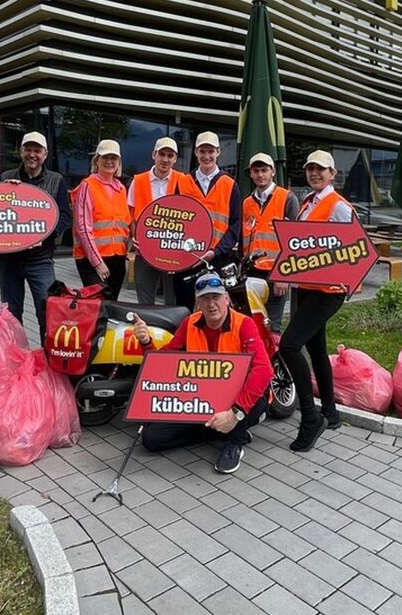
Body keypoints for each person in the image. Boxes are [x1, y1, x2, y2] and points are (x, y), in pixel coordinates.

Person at [132, 272, 274, 474]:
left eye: (216, 297)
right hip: (202, 401)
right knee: (152, 439)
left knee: (249, 406)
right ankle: (220, 431)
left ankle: (235, 441)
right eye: (205, 299)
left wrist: (236, 413)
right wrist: (146, 342)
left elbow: (263, 369)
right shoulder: (190, 323)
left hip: (239, 401)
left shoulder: (244, 324)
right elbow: (162, 362)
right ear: (197, 303)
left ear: (226, 298)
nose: (211, 304)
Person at [279, 150, 354, 452]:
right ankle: (331, 413)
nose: (314, 174)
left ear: (333, 174)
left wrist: (351, 280)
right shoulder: (308, 202)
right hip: (307, 288)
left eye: (320, 170)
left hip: (328, 293)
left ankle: (311, 418)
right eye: (310, 169)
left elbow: (354, 248)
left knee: (288, 345)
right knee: (316, 348)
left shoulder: (338, 206)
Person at [0, 133, 71, 342]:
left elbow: (65, 217)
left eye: (37, 150)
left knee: (47, 310)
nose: (32, 154)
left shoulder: (56, 180)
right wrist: (2, 193)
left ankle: (47, 362)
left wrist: (47, 235)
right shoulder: (4, 178)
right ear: (21, 152)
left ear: (45, 154)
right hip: (8, 259)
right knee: (11, 315)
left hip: (40, 259)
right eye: (28, 149)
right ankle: (16, 361)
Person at [173, 132, 242, 307]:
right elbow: (173, 221)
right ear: (195, 152)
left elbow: (235, 226)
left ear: (218, 152)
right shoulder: (183, 182)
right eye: (202, 151)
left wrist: (215, 251)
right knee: (184, 309)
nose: (206, 156)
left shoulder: (229, 184)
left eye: (210, 151)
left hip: (218, 260)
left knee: (216, 310)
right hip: (187, 258)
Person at [241, 153, 299, 332]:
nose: (260, 175)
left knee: (272, 327)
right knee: (253, 324)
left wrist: (284, 276)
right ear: (250, 173)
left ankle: (272, 360)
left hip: (275, 275)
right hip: (251, 272)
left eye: (264, 170)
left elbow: (296, 242)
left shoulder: (287, 199)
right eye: (256, 171)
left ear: (272, 171)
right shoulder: (247, 203)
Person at [128, 136, 186, 304]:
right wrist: (136, 237)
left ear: (175, 159)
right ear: (154, 155)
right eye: (162, 154)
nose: (165, 159)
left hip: (172, 251)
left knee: (172, 300)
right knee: (144, 299)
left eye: (170, 156)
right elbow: (131, 215)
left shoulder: (183, 181)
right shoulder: (138, 181)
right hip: (144, 251)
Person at [72, 138, 131, 298]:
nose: (109, 162)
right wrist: (97, 263)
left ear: (119, 162)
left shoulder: (121, 189)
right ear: (97, 160)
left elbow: (125, 224)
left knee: (111, 307)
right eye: (105, 157)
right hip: (93, 260)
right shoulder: (87, 186)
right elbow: (83, 227)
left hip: (117, 258)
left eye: (113, 158)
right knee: (98, 308)